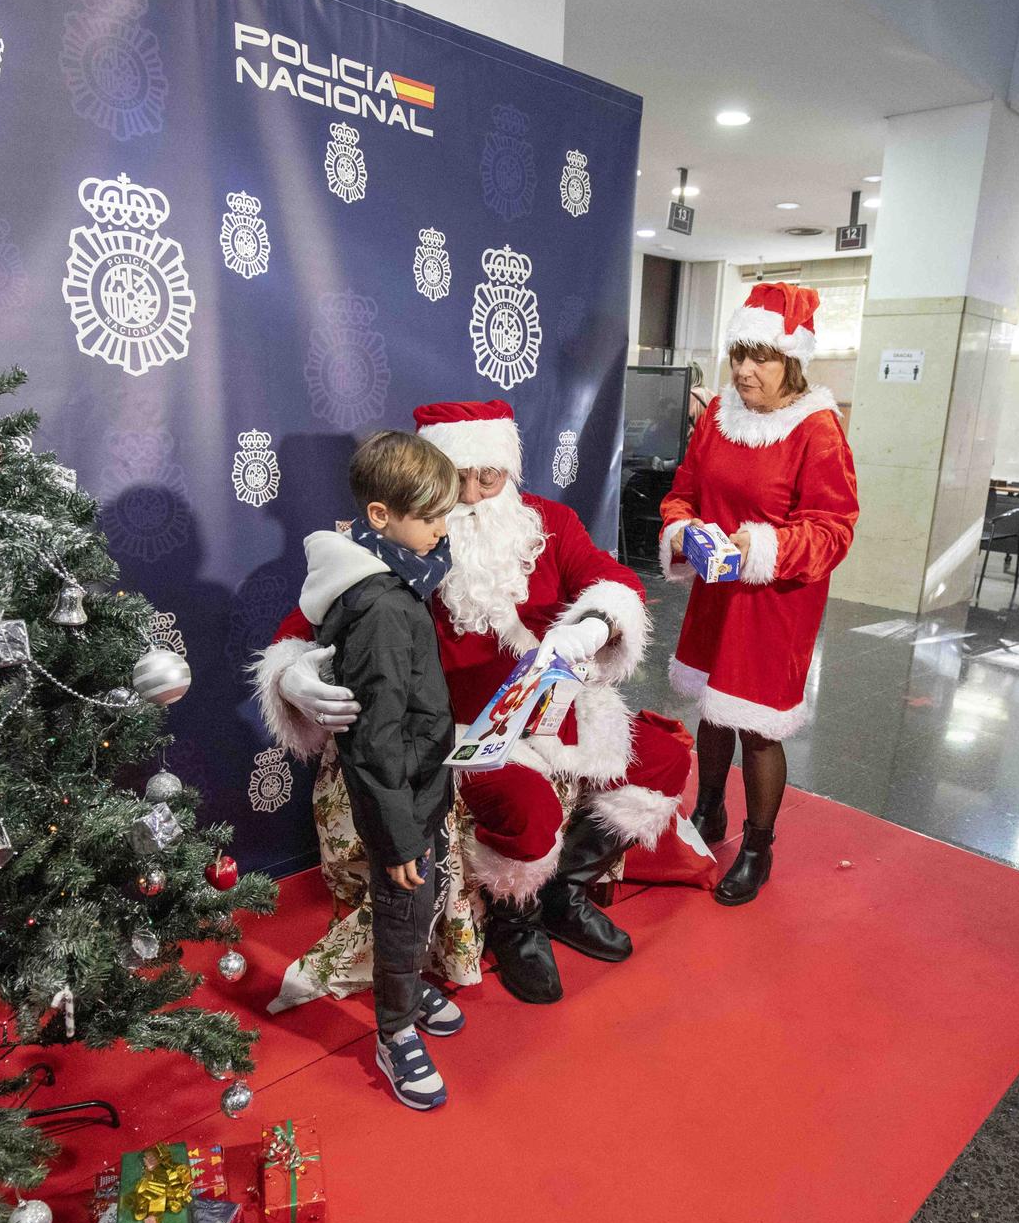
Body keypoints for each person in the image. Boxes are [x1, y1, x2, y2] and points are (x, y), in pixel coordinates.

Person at [252, 400, 693, 1006]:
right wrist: (293, 677)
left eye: (489, 475)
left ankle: (566, 892)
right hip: (460, 732)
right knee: (527, 804)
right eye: (456, 477)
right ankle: (518, 920)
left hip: (553, 709)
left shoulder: (550, 522)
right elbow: (298, 628)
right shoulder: (399, 539)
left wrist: (592, 626)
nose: (474, 494)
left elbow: (615, 583)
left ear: (508, 469)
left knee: (664, 759)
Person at [659, 283, 860, 905]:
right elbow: (683, 491)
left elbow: (834, 529)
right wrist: (683, 528)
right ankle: (710, 811)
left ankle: (757, 846)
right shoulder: (719, 417)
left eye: (762, 358)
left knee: (758, 727)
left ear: (792, 362)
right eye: (738, 355)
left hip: (776, 602)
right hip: (717, 594)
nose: (745, 371)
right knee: (713, 708)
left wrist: (761, 549)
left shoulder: (817, 429)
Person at [301, 431, 465, 1108]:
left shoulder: (398, 577)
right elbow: (373, 738)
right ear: (380, 517)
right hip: (398, 795)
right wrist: (397, 836)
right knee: (403, 906)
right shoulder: (383, 606)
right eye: (430, 518)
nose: (442, 530)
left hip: (421, 781)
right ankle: (393, 1029)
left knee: (420, 905)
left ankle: (407, 986)